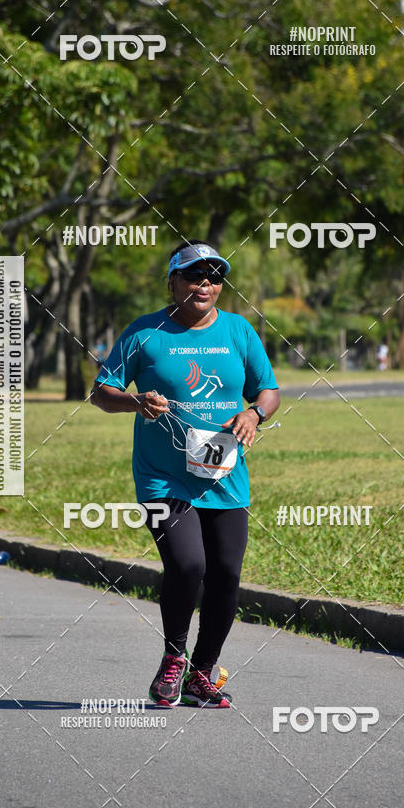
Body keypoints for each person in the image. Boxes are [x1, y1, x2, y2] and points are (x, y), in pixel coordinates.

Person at [91, 240, 280, 708]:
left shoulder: (238, 331)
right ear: (172, 281)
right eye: (195, 275)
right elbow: (100, 391)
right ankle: (174, 657)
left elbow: (269, 390)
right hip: (162, 477)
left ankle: (202, 672)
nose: (206, 284)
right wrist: (136, 401)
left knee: (226, 575)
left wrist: (255, 414)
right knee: (188, 564)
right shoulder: (144, 333)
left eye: (215, 276)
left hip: (224, 476)